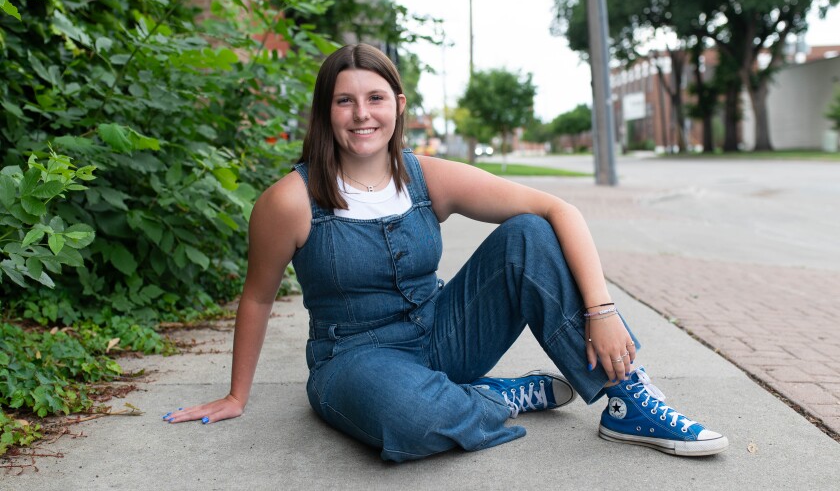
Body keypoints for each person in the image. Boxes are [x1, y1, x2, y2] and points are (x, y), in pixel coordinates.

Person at [163, 43, 728, 461]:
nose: (362, 114)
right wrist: (238, 394)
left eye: (375, 98)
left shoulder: (426, 177)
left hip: (444, 332)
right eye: (344, 101)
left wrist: (601, 312)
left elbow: (561, 211)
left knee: (528, 232)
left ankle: (626, 400)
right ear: (325, 112)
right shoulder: (288, 202)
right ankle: (491, 398)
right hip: (354, 361)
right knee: (408, 416)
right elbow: (257, 298)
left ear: (398, 105)